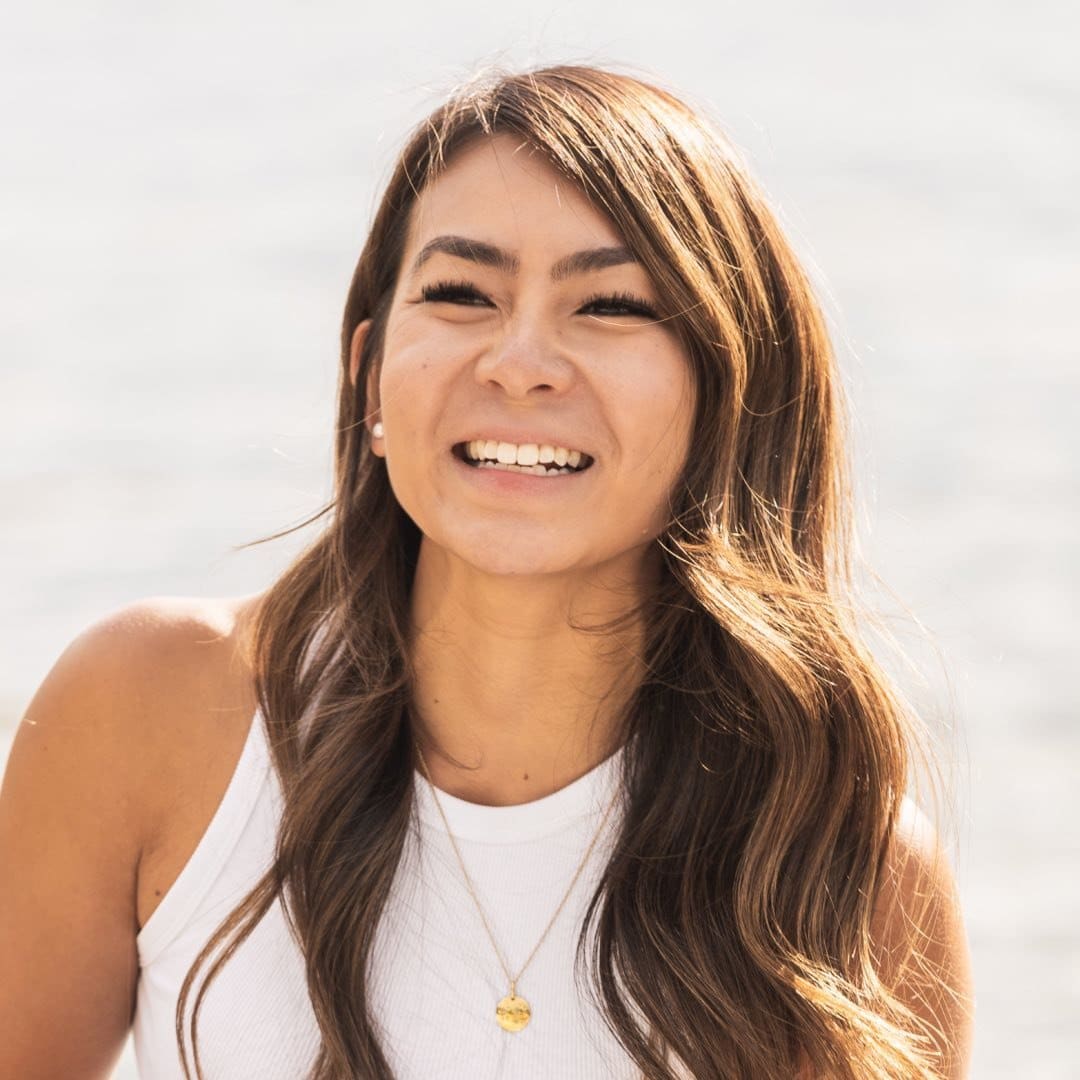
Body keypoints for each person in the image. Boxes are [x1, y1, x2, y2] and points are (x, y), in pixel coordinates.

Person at [0, 65, 974, 1079]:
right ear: (370, 374)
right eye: (462, 293)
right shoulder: (155, 711)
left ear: (726, 391)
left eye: (610, 306)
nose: (520, 361)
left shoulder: (845, 868)